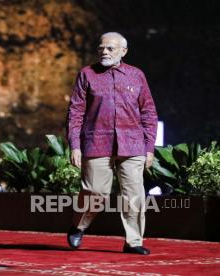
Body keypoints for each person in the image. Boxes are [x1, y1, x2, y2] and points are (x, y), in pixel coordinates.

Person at [66, 32, 158, 255]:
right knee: (95, 192)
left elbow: (148, 112)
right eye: (101, 48)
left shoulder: (136, 75)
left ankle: (133, 241)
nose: (104, 52)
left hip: (133, 144)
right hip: (96, 142)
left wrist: (149, 148)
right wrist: (75, 145)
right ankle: (79, 226)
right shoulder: (87, 74)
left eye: (110, 49)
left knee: (134, 194)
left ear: (123, 51)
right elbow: (76, 111)